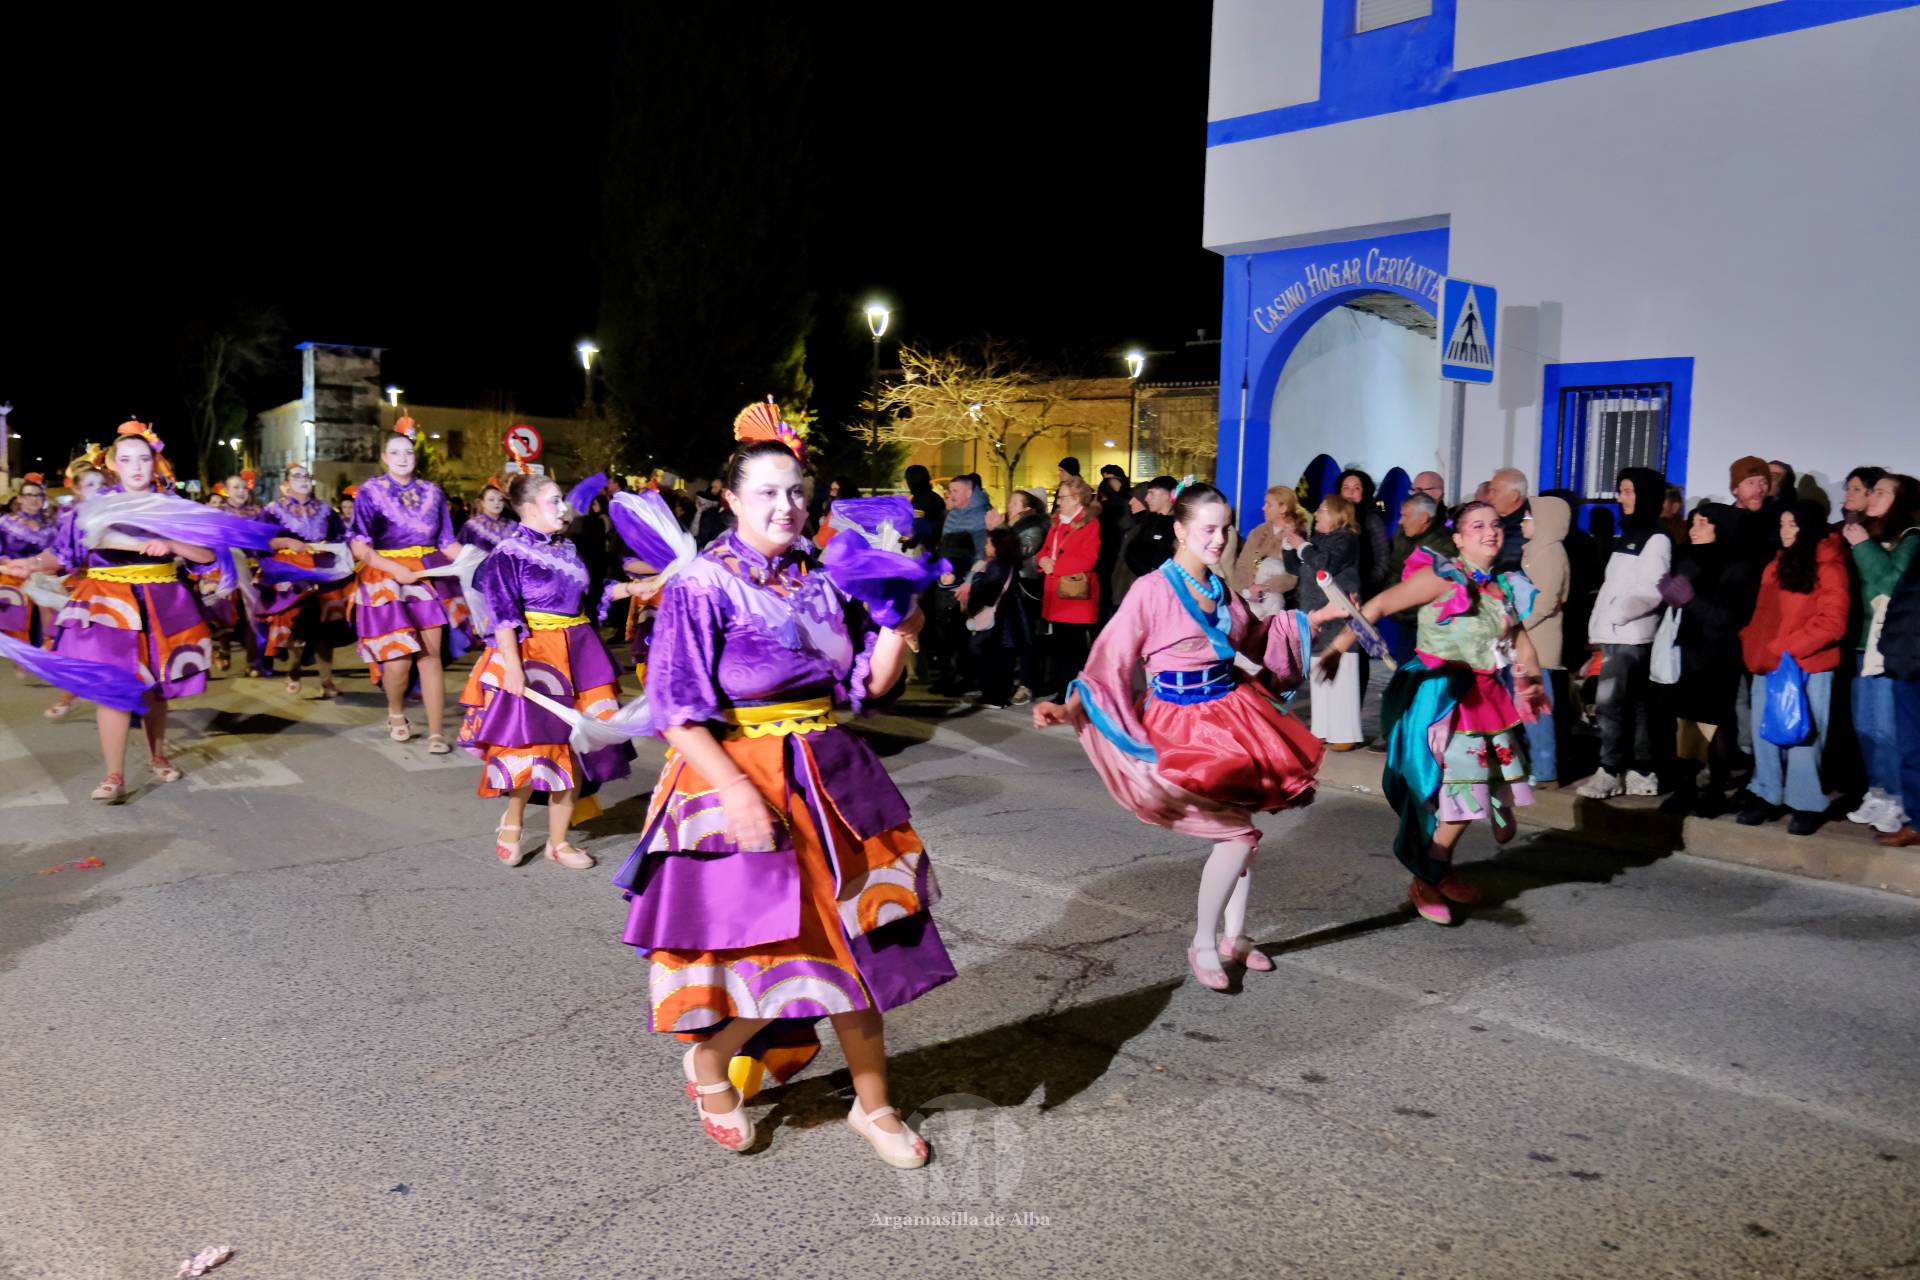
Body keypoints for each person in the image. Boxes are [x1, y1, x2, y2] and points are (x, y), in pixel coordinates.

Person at [612, 406, 953, 1166]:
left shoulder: (824, 575)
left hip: (834, 777)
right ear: (730, 499)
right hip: (744, 776)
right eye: (766, 492)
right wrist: (735, 792)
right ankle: (708, 1062)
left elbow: (867, 684)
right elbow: (675, 710)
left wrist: (901, 621)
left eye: (796, 491)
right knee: (774, 958)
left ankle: (876, 1107)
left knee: (861, 945)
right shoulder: (702, 584)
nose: (785, 506)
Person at [1034, 482, 1322, 989]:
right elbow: (1110, 659)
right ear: (1180, 530)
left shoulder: (1219, 588)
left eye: (1224, 528)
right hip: (1181, 724)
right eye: (1208, 529)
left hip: (1230, 712)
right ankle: (1204, 944)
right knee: (1236, 836)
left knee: (1242, 833)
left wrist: (1315, 619)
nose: (1218, 538)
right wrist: (1067, 707)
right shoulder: (1152, 589)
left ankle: (1234, 937)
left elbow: (1256, 636)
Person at [1318, 500, 1548, 925]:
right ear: (1458, 538)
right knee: (1457, 793)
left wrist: (1528, 680)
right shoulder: (1443, 577)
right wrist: (1334, 651)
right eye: (1477, 526)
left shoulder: (1506, 585)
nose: (1490, 531)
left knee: (1481, 792)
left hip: (1485, 698)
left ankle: (1442, 864)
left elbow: (1519, 641)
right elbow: (1378, 607)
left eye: (1495, 524)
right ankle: (1427, 876)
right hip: (1441, 697)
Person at [458, 472, 639, 871]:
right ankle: (513, 822)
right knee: (534, 746)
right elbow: (502, 614)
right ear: (526, 508)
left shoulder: (568, 546)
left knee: (576, 744)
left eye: (561, 500)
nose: (563, 508)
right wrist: (513, 668)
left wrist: (634, 589)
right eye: (554, 501)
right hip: (535, 654)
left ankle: (559, 842)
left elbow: (590, 596)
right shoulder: (508, 553)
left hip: (579, 651)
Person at [50, 424, 222, 799]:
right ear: (113, 464)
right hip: (110, 605)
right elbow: (62, 556)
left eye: (144, 459)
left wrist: (170, 543)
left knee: (154, 691)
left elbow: (207, 556)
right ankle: (114, 776)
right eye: (127, 460)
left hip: (163, 601)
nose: (137, 467)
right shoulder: (95, 507)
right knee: (112, 687)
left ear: (155, 461)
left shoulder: (174, 505)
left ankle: (157, 755)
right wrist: (27, 565)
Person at [348, 420, 472, 752]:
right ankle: (396, 711)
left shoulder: (433, 491)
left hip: (428, 575)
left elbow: (448, 543)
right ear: (385, 457)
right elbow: (360, 546)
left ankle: (435, 733)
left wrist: (480, 563)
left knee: (430, 656)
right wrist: (395, 570)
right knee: (398, 660)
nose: (403, 458)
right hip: (384, 577)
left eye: (408, 452)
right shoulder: (370, 492)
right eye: (395, 452)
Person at [1738, 500, 1849, 834]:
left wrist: (1785, 648)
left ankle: (1805, 802)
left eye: (1793, 525)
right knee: (1765, 732)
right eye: (1783, 524)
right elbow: (1763, 613)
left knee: (1804, 736)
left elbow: (1833, 622)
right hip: (1769, 663)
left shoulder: (1829, 566)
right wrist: (1752, 642)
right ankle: (1767, 792)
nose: (1786, 532)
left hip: (1807, 664)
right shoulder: (1776, 564)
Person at [1657, 502, 1759, 817]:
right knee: (1686, 722)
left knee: (1715, 722)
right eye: (1693, 523)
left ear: (1720, 528)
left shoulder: (1737, 565)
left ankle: (1716, 788)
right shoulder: (1688, 557)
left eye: (1703, 523)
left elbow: (1726, 618)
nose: (1694, 529)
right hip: (1687, 650)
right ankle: (1687, 787)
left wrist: (1690, 600)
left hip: (1719, 655)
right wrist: (1671, 598)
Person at [1579, 467, 1674, 799]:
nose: (1621, 497)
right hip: (1615, 634)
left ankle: (1618, 768)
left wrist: (1618, 614)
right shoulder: (1629, 535)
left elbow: (1653, 589)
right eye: (1621, 490)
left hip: (1631, 635)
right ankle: (1627, 768)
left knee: (1616, 704)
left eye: (1629, 490)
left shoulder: (1656, 539)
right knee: (1622, 705)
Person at [1840, 473, 1919, 834]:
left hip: (1891, 646)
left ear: (1900, 501)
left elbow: (1891, 583)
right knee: (1867, 725)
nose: (1872, 497)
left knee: (1889, 728)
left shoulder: (1912, 539)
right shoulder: (1875, 537)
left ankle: (1900, 802)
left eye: (1882, 492)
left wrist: (1862, 547)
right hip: (1863, 644)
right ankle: (1879, 792)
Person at [259, 463, 354, 698]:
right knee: (295, 628)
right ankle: (293, 669)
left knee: (325, 629)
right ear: (286, 483)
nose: (303, 479)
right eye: (297, 476)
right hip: (290, 573)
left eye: (306, 475)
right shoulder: (273, 510)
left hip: (323, 572)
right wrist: (285, 543)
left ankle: (327, 681)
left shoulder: (325, 509)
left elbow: (342, 537)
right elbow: (259, 540)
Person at [36, 462, 109, 720]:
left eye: (101, 485)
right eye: (90, 485)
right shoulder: (69, 516)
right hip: (83, 587)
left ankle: (123, 700)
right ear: (77, 490)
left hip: (116, 589)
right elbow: (62, 554)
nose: (97, 490)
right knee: (78, 644)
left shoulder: (116, 512)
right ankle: (67, 697)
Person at [1296, 494, 1363, 749]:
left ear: (1338, 515)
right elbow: (1297, 567)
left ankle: (1343, 733)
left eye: (1323, 509)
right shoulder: (1317, 541)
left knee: (1340, 672)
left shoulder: (1345, 539)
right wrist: (1292, 545)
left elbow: (1325, 564)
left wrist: (1303, 547)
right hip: (1317, 616)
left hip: (1338, 619)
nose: (1317, 514)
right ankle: (1322, 728)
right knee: (1320, 674)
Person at [1519, 495, 1571, 787]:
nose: (1524, 521)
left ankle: (1545, 769)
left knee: (1537, 708)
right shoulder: (1537, 550)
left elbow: (1547, 600)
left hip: (1539, 642)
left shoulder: (1550, 553)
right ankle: (1535, 765)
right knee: (1528, 707)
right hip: (1529, 639)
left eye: (1529, 517)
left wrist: (1517, 624)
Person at [1038, 473, 1101, 696]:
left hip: (1074, 595)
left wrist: (1056, 566)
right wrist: (1042, 559)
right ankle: (1062, 685)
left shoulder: (1090, 524)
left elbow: (1088, 559)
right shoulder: (1056, 522)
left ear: (1076, 498)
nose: (1058, 502)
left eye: (1062, 497)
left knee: (1072, 647)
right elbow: (1045, 550)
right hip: (1056, 591)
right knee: (1060, 644)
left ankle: (1072, 691)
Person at [1875, 546, 1920, 846]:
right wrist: (1889, 647)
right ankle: (1917, 822)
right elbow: (1902, 601)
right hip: (1907, 665)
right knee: (1911, 749)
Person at [962, 526, 1031, 708]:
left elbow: (987, 592)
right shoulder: (1011, 564)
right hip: (1009, 619)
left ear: (996, 545)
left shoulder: (994, 566)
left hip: (996, 621)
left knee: (989, 658)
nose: (985, 545)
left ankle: (993, 697)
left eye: (988, 542)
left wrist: (976, 578)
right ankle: (999, 695)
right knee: (1003, 660)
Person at [1229, 485, 1303, 620]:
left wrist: (1263, 588)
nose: (1263, 508)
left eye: (1269, 504)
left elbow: (1292, 576)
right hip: (1248, 596)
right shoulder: (1258, 532)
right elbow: (1243, 565)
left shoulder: (1297, 537)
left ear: (1283, 508)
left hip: (1279, 602)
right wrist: (1247, 590)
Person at [1005, 488, 1050, 704]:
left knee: (1027, 636)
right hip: (1017, 585)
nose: (1009, 507)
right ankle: (1020, 678)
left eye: (1014, 503)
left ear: (1027, 507)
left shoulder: (1032, 526)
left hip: (1027, 586)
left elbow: (1021, 551)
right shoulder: (1016, 526)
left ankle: (1028, 683)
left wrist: (999, 532)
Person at [0, 473, 57, 643]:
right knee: (18, 633)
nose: (34, 499)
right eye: (28, 495)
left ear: (43, 498)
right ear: (20, 498)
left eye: (37, 495)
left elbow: (58, 554)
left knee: (49, 628)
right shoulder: (5, 523)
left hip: (44, 581)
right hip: (13, 580)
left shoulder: (51, 526)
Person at [1336, 468, 1390, 594]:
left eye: (1356, 488)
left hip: (1363, 589)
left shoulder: (1372, 520)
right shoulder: (1331, 518)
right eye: (1345, 488)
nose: (1350, 493)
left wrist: (1363, 583)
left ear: (1364, 492)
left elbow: (1383, 561)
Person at [1124, 476, 1179, 580]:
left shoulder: (1178, 526)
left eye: (1152, 493)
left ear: (1169, 495)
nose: (1146, 498)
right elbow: (1131, 553)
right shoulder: (1148, 521)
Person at [1487, 467, 1530, 573]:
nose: (1490, 497)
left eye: (1495, 491)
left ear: (1514, 496)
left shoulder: (1525, 528)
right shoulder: (1499, 521)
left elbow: (1503, 566)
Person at [458, 484, 515, 552]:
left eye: (500, 500)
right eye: (491, 500)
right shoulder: (471, 526)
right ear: (482, 503)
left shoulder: (513, 525)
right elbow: (460, 552)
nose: (497, 503)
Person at [903, 464, 945, 552]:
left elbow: (918, 526)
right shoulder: (934, 497)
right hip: (936, 543)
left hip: (926, 547)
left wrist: (907, 542)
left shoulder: (921, 500)